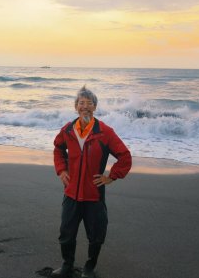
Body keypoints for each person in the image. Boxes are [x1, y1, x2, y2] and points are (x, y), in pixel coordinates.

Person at [51, 86, 132, 278]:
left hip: (94, 194)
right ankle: (67, 266)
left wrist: (111, 177)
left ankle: (89, 268)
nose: (85, 106)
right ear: (75, 107)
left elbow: (125, 156)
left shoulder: (105, 132)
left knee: (96, 235)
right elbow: (58, 149)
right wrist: (61, 170)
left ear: (95, 107)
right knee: (66, 233)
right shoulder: (68, 129)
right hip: (71, 193)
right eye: (81, 103)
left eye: (89, 103)